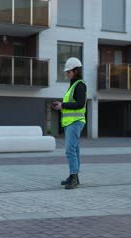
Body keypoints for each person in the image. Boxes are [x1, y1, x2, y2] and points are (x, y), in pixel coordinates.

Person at [52, 57, 87, 190]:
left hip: (75, 122)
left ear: (76, 71)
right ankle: (74, 177)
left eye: (69, 71)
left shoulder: (80, 85)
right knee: (75, 150)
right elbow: (72, 103)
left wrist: (63, 105)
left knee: (69, 150)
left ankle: (73, 177)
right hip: (70, 122)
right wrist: (60, 105)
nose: (67, 74)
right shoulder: (73, 85)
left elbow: (80, 104)